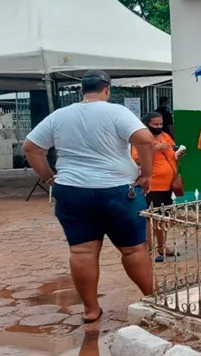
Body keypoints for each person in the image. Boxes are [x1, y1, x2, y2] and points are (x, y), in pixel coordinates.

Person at [22, 70, 154, 324]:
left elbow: (31, 147)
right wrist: (146, 174)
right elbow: (145, 140)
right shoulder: (116, 111)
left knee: (82, 252)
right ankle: (152, 298)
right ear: (107, 89)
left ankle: (91, 310)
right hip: (117, 191)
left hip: (72, 191)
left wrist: (49, 177)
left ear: (82, 90)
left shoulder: (60, 115)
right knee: (133, 249)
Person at [132, 112, 184, 262]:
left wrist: (178, 154)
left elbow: (171, 151)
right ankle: (149, 249)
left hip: (168, 184)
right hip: (152, 185)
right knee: (150, 218)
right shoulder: (141, 138)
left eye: (161, 124)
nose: (159, 127)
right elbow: (136, 159)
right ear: (147, 124)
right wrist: (154, 148)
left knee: (164, 218)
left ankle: (162, 247)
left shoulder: (165, 136)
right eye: (155, 124)